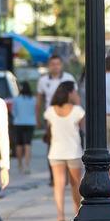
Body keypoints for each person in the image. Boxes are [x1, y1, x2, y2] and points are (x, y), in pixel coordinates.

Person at [44, 81, 85, 221]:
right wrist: (78, 102)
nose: (76, 94)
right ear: (69, 93)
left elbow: (48, 129)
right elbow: (83, 129)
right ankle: (77, 211)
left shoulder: (50, 111)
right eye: (74, 92)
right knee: (76, 184)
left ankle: (60, 215)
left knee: (59, 184)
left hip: (56, 151)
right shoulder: (77, 111)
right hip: (73, 151)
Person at [36, 55, 77, 184]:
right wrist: (38, 117)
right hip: (52, 117)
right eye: (53, 64)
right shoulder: (43, 80)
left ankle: (67, 175)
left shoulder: (68, 78)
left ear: (61, 65)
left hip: (69, 116)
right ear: (49, 65)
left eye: (58, 64)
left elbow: (75, 97)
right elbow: (39, 100)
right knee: (52, 146)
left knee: (70, 145)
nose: (55, 66)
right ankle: (54, 177)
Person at [12, 81, 36, 174]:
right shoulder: (33, 99)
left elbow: (14, 112)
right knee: (28, 144)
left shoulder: (16, 99)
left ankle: (19, 164)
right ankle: (27, 165)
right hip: (30, 123)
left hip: (18, 123)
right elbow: (35, 110)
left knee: (19, 144)